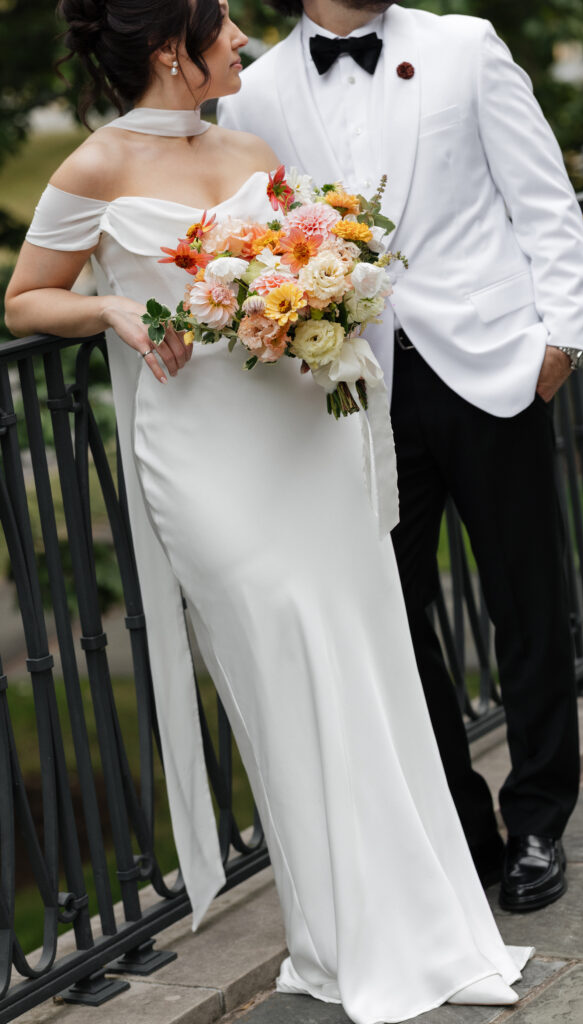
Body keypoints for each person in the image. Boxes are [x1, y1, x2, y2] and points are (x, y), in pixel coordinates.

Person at [5, 1, 536, 1020]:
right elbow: (27, 297)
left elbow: (310, 257)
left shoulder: (248, 147)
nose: (242, 36)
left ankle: (422, 924)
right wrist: (112, 305)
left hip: (307, 441)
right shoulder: (96, 166)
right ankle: (335, 937)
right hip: (208, 463)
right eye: (222, 25)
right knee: (280, 673)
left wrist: (337, 288)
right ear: (173, 53)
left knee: (366, 665)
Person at [218, 0, 583, 912]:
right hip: (358, 390)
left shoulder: (464, 45)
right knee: (394, 615)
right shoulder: (255, 93)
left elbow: (542, 196)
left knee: (526, 599)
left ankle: (538, 819)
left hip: (496, 367)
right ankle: (461, 829)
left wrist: (562, 339)